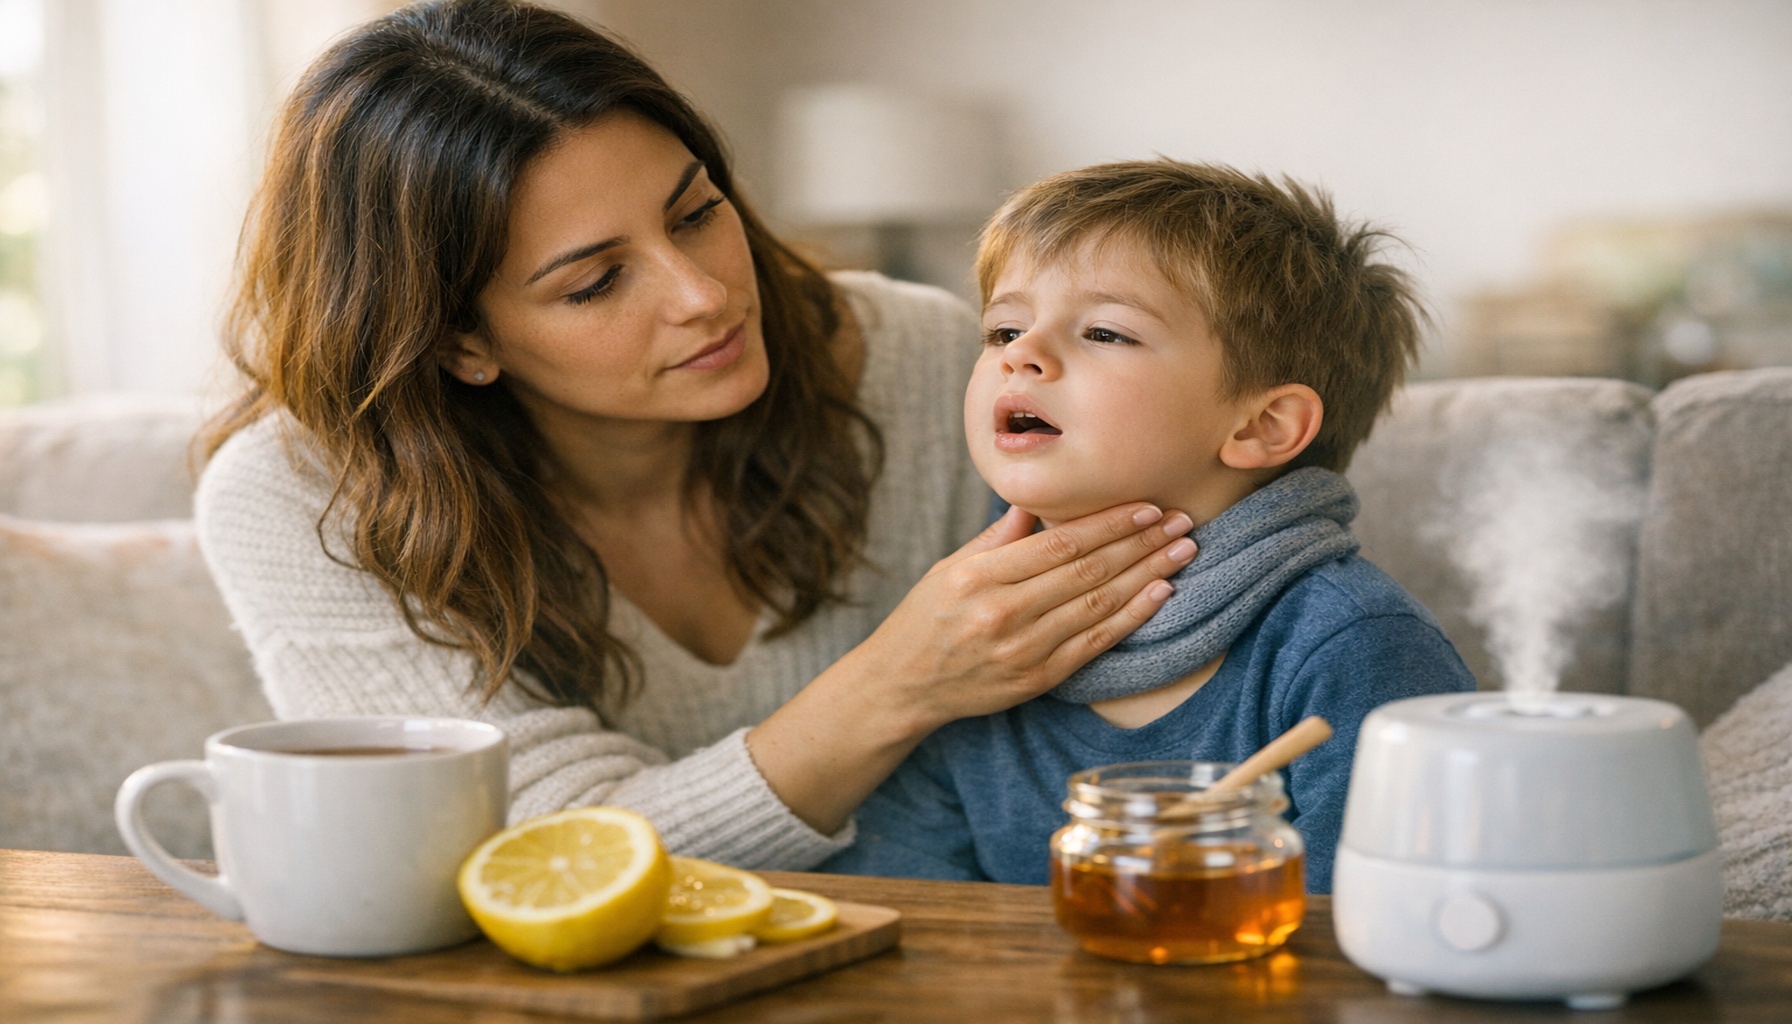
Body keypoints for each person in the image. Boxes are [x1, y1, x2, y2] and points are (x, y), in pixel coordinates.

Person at [193, 0, 1198, 871]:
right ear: (459, 340)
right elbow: (539, 857)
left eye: (695, 211)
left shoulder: (930, 358)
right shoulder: (301, 500)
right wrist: (899, 683)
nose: (705, 294)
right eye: (595, 281)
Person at [821, 161, 1477, 892]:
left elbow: (1385, 939)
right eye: (1003, 326)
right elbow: (903, 910)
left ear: (1263, 425)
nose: (1021, 353)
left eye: (1104, 331)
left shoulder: (1355, 649)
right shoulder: (974, 645)